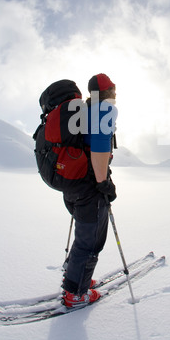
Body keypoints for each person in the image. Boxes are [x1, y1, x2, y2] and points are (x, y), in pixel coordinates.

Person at [62, 73, 117, 308]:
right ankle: (75, 295)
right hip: (89, 187)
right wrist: (104, 183)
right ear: (108, 92)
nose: (116, 93)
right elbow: (100, 149)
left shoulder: (83, 110)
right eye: (114, 89)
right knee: (91, 242)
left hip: (72, 183)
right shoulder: (104, 110)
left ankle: (77, 279)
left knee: (83, 237)